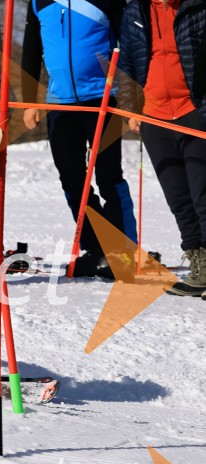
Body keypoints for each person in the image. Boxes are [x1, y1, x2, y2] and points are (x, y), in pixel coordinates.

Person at [22, 0, 138, 278]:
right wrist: (29, 101)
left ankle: (124, 251)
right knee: (72, 180)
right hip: (60, 104)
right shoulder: (39, 2)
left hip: (103, 98)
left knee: (109, 175)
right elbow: (31, 48)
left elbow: (129, 45)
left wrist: (132, 103)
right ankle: (96, 248)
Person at [119, 0, 206, 297]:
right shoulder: (135, 12)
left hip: (193, 112)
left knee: (202, 193)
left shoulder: (198, 8)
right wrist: (132, 109)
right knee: (179, 198)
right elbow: (127, 64)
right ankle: (200, 267)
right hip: (154, 117)